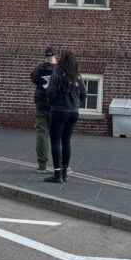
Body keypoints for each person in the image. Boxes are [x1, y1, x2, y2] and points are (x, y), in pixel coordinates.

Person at [44, 49, 86, 185]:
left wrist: (52, 103)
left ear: (62, 60)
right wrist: (74, 103)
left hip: (59, 110)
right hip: (73, 112)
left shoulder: (57, 73)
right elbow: (84, 95)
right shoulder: (77, 76)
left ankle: (57, 175)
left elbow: (50, 91)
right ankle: (64, 173)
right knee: (66, 141)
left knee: (56, 142)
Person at [30, 46, 57, 172]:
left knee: (42, 136)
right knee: (58, 136)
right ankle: (61, 165)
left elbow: (33, 79)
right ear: (55, 56)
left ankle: (42, 165)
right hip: (56, 107)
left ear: (45, 56)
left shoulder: (40, 68)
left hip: (41, 106)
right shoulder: (59, 69)